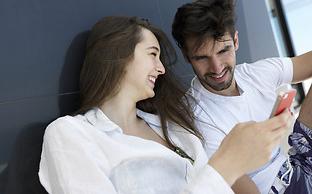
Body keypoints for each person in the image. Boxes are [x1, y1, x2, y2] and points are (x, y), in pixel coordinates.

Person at [38, 15, 292, 193]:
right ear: (117, 55)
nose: (160, 69)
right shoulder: (70, 134)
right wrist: (225, 166)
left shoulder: (174, 129)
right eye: (152, 54)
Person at [171, 0, 312, 194]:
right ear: (186, 56)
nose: (217, 67)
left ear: (236, 41)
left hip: (297, 164)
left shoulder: (254, 73)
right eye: (202, 57)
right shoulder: (195, 120)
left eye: (223, 51)